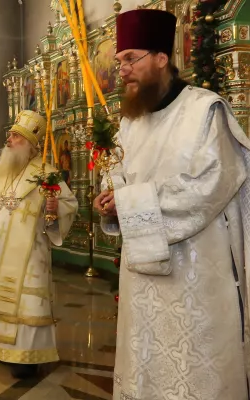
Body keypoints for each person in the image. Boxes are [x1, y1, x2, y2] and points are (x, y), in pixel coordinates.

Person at [94, 9, 250, 399]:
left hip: (196, 274)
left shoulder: (204, 111)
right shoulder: (131, 120)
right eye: (119, 62)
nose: (122, 70)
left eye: (131, 58)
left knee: (194, 370)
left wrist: (129, 202)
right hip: (142, 278)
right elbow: (119, 174)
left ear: (162, 58)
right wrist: (112, 197)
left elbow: (210, 186)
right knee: (145, 362)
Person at [0, 110, 78, 379]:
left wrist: (54, 208)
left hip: (29, 254)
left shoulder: (46, 174)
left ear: (31, 143)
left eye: (16, 136)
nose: (8, 139)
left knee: (25, 303)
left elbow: (69, 205)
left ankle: (26, 356)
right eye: (9, 134)